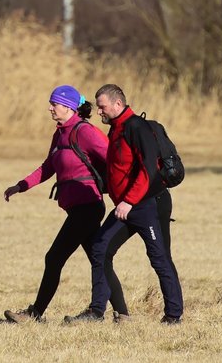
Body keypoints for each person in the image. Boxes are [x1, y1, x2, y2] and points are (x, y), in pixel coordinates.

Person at [2, 85, 129, 323]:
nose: (50, 108)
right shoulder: (60, 133)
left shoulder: (85, 132)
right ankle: (123, 314)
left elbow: (115, 159)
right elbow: (48, 167)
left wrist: (129, 193)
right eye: (50, 103)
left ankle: (34, 314)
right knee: (98, 258)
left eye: (55, 104)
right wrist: (21, 186)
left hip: (88, 207)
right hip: (75, 208)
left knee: (54, 257)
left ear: (69, 107)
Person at [64, 83, 184, 325]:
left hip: (146, 204)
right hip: (126, 206)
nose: (98, 112)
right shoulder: (116, 129)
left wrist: (128, 201)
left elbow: (148, 169)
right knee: (99, 247)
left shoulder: (135, 128)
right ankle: (97, 311)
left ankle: (173, 315)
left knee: (159, 257)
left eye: (102, 107)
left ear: (118, 104)